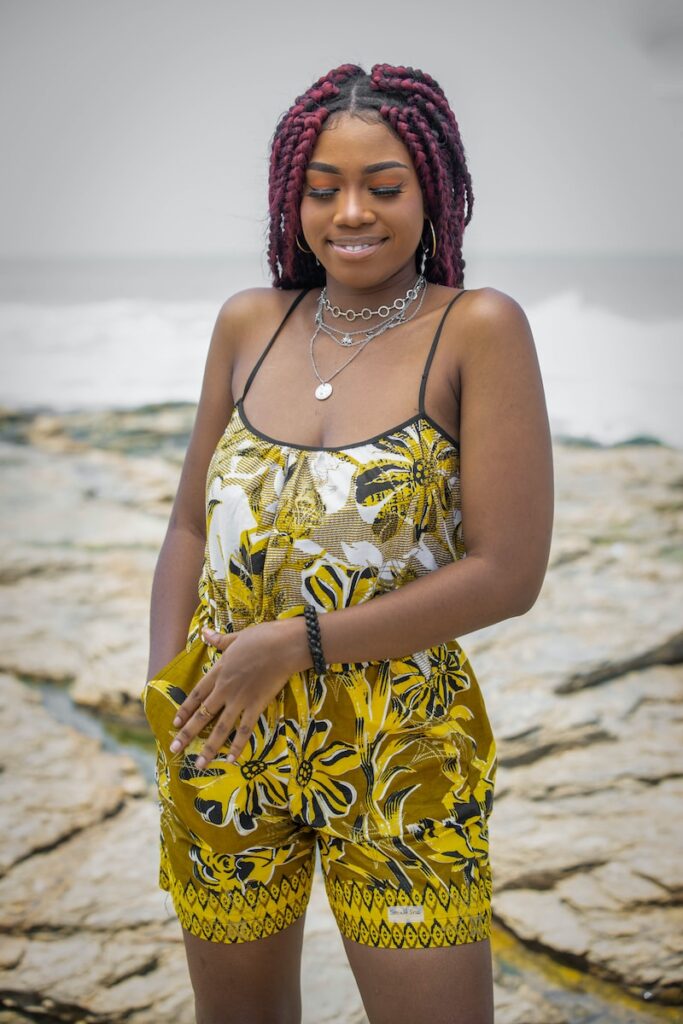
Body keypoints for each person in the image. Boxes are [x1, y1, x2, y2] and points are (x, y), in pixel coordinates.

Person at [142, 62, 554, 1024]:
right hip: (223, 726)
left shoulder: (477, 329)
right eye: (321, 188)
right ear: (293, 197)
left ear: (433, 192)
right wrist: (168, 693)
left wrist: (292, 645)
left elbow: (507, 573)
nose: (349, 213)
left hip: (400, 737)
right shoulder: (250, 321)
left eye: (383, 185)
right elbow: (190, 523)